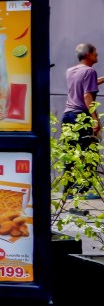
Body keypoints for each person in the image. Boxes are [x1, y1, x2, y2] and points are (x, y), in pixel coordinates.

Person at [62, 43, 101, 199]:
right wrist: (96, 120)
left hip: (68, 116)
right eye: (95, 53)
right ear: (88, 54)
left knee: (70, 154)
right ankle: (84, 191)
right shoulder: (90, 71)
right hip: (81, 117)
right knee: (90, 154)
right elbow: (87, 95)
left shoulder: (70, 71)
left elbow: (83, 84)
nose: (97, 55)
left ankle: (68, 191)